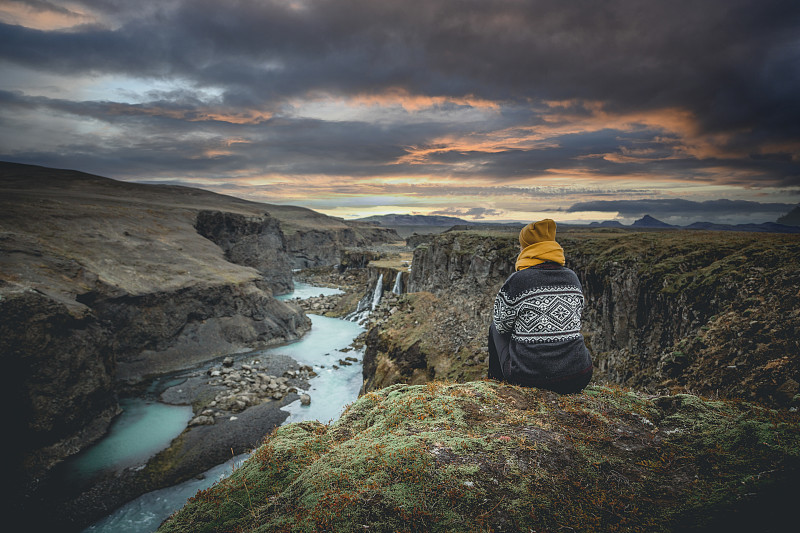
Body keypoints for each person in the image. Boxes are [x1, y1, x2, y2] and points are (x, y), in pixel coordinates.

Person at [487, 219, 592, 393]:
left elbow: (501, 324)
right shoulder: (572, 277)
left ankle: (495, 384)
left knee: (494, 329)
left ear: (528, 249)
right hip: (579, 375)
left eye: (521, 246)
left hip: (530, 377)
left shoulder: (518, 280)